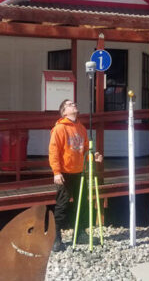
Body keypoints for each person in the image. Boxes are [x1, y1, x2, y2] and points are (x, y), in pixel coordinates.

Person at [49, 99, 102, 252]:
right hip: (64, 173)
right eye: (70, 104)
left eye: (74, 104)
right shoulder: (59, 128)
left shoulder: (81, 128)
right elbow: (53, 152)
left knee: (82, 204)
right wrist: (56, 172)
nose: (74, 105)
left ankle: (79, 233)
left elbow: (86, 150)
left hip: (79, 173)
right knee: (62, 205)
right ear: (64, 111)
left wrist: (94, 156)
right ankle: (55, 237)